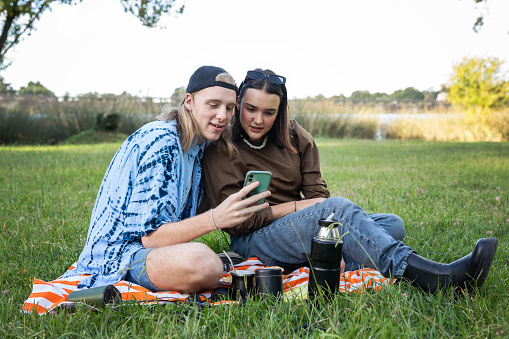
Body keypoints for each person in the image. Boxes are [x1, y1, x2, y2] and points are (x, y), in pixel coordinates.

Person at [201, 68, 498, 293]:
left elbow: (318, 193)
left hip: (300, 231)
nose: (257, 119)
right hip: (257, 240)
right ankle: (432, 276)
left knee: (392, 224)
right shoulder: (222, 147)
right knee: (340, 212)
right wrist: (297, 207)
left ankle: (320, 262)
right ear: (239, 103)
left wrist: (318, 220)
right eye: (250, 109)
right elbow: (238, 223)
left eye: (269, 112)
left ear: (280, 113)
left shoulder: (294, 136)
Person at [62, 66, 271, 293]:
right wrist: (216, 218)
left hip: (148, 253)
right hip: (116, 259)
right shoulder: (162, 142)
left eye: (230, 108)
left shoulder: (198, 148)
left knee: (209, 260)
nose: (223, 116)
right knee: (204, 263)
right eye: (213, 105)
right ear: (189, 101)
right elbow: (152, 239)